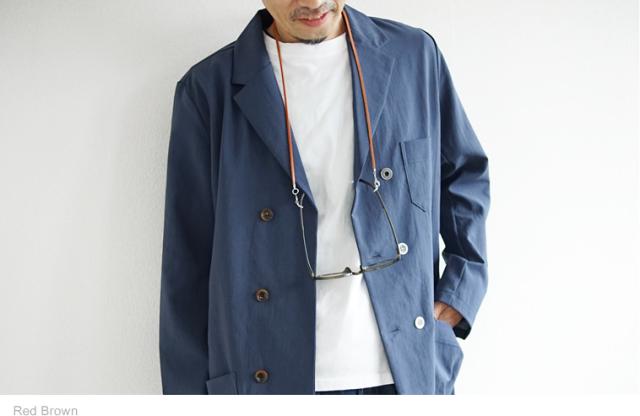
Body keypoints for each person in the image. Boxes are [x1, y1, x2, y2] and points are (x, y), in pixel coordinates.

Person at [159, 0, 490, 395]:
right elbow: (187, 262)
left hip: (404, 371)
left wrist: (461, 290)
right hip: (265, 376)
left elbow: (464, 176)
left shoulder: (414, 57)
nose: (312, 2)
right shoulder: (207, 90)